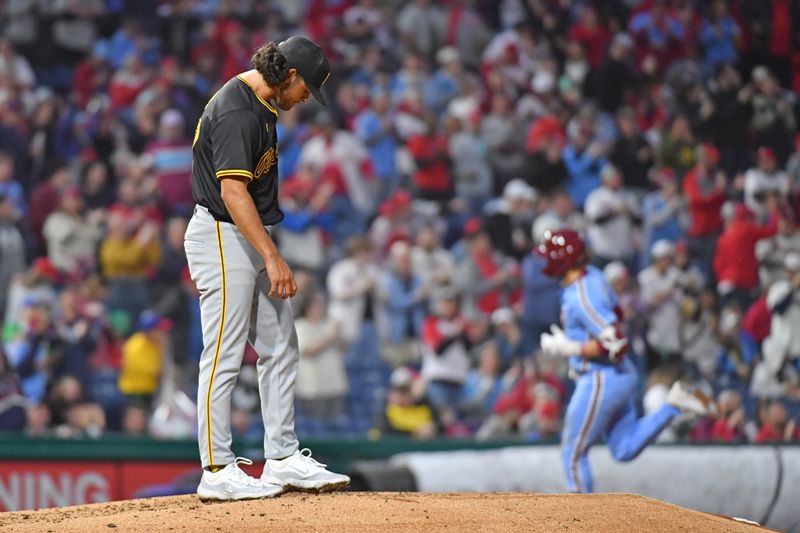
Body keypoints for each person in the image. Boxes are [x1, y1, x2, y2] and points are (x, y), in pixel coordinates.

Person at [184, 37, 348, 502]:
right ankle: (216, 467)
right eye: (306, 90)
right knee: (223, 351)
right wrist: (272, 256)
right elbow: (233, 193)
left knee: (280, 343)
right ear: (291, 75)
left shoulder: (259, 102)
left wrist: (267, 252)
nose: (305, 100)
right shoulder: (238, 109)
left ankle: (281, 457)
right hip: (220, 233)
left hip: (244, 233)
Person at [537, 229, 713, 493]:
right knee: (623, 448)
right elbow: (616, 314)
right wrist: (575, 337)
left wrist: (569, 347)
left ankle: (580, 523)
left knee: (573, 454)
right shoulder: (594, 277)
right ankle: (673, 405)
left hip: (599, 377)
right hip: (619, 375)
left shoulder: (581, 296)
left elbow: (615, 343)